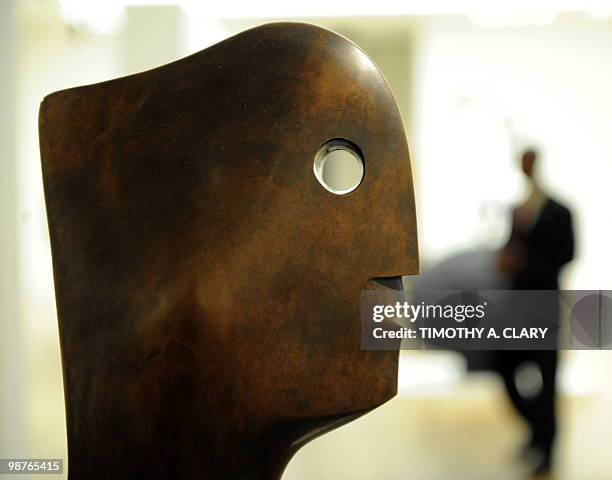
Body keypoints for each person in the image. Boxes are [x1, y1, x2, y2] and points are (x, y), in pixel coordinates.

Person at [496, 148, 575, 478]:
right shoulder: (518, 210)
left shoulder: (560, 211)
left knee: (547, 379)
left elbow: (568, 253)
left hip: (545, 307)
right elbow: (510, 248)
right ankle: (537, 430)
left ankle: (548, 450)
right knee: (505, 365)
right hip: (517, 307)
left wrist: (525, 264)